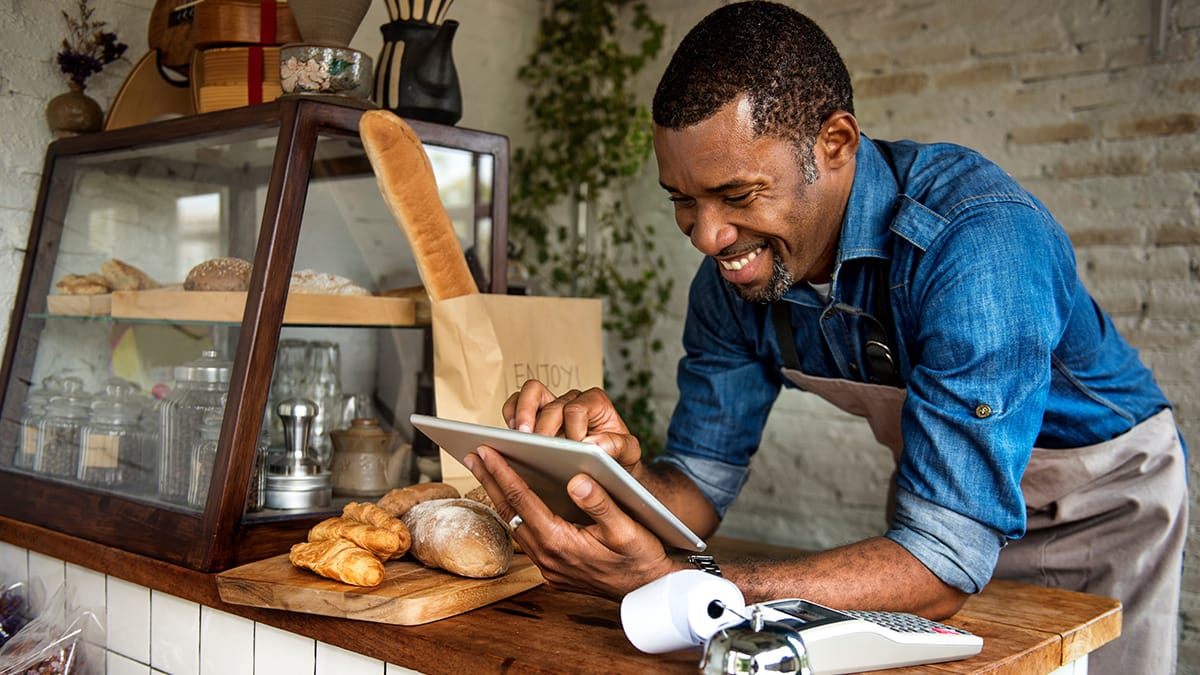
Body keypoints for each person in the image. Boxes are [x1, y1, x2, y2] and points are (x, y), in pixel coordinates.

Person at [461, 2, 1188, 672]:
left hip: (1101, 502)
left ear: (835, 143)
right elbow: (698, 487)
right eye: (683, 201)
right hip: (943, 513)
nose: (709, 237)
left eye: (739, 195)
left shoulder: (976, 244)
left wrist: (689, 583)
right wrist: (608, 480)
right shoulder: (735, 279)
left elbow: (938, 563)